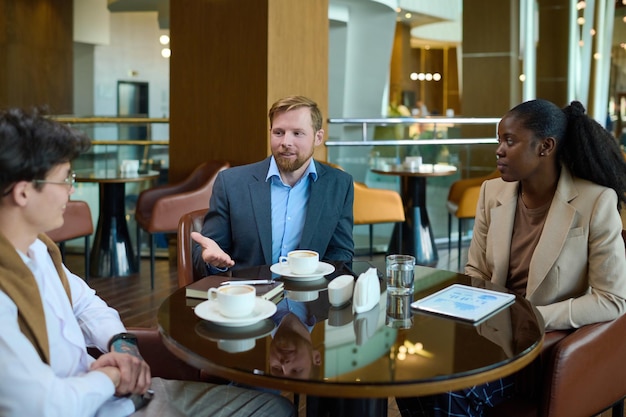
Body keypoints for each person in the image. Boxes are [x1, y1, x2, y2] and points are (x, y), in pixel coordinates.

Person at [0, 107, 295, 417]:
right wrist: (112, 376)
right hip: (99, 405)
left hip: (132, 394)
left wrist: (122, 347)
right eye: (64, 180)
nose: (72, 190)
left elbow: (86, 304)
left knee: (273, 406)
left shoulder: (39, 251)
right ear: (23, 193)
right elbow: (45, 407)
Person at [396, 99, 626, 416]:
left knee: (447, 395)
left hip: (543, 347)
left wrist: (532, 318)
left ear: (545, 146)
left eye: (510, 140)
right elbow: (474, 271)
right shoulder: (491, 193)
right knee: (410, 374)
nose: (499, 151)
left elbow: (611, 299)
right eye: (498, 140)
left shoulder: (596, 201)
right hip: (485, 338)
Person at [192, 95, 354, 276]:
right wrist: (215, 262)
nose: (286, 142)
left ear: (318, 137)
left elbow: (341, 253)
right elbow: (208, 251)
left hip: (311, 297)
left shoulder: (339, 184)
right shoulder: (231, 183)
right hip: (250, 296)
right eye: (278, 132)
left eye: (297, 133)